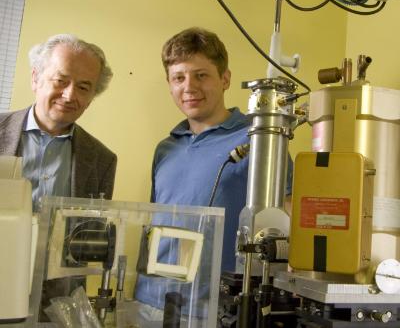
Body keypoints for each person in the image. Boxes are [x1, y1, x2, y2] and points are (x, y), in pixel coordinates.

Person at [133, 27, 292, 327]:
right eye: (178, 77)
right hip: (151, 302)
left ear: (225, 78)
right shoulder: (166, 148)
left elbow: (287, 218)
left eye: (201, 75)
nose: (189, 87)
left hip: (216, 307)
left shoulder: (259, 138)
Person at [0, 33, 117, 315]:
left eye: (84, 87)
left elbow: (86, 245)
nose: (70, 94)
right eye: (61, 80)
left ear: (91, 98)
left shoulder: (102, 160)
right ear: (36, 79)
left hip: (53, 306)